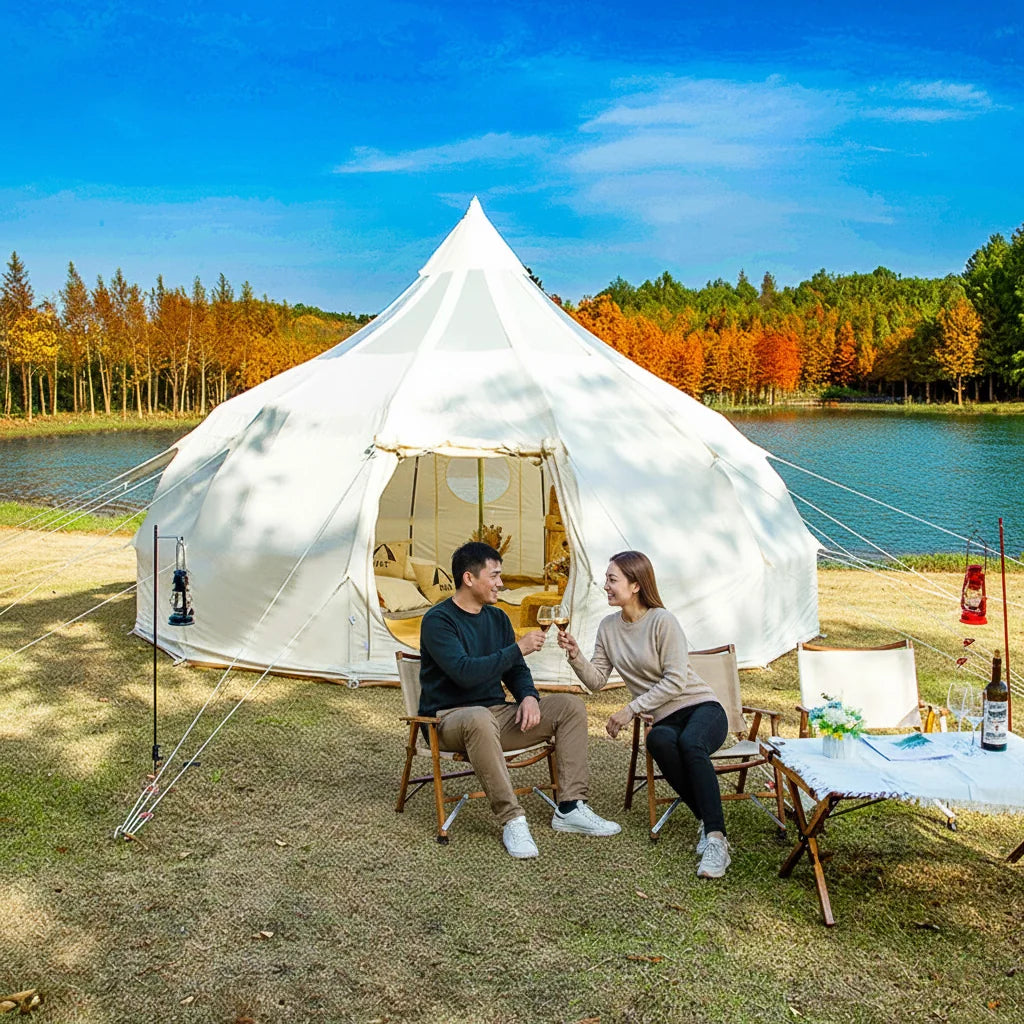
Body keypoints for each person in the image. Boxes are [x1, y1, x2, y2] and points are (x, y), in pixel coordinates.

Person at [419, 541, 621, 859]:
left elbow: (515, 670)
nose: (502, 583)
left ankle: (570, 807)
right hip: (448, 720)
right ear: (469, 578)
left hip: (496, 716)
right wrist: (519, 648)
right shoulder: (438, 621)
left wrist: (528, 696)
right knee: (478, 717)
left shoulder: (497, 619)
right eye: (495, 575)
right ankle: (512, 819)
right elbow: (464, 673)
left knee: (569, 707)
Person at [557, 550, 731, 878]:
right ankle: (710, 823)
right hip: (665, 720)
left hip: (702, 708)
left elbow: (677, 680)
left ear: (635, 585)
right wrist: (575, 655)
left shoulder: (662, 621)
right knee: (660, 742)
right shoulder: (608, 628)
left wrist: (630, 709)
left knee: (692, 743)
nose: (605, 586)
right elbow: (596, 681)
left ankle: (716, 840)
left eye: (612, 579)